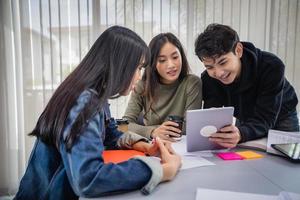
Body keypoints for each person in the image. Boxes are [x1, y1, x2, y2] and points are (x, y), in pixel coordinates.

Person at [14, 26, 181, 200]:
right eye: (138, 68)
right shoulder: (83, 103)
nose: (139, 76)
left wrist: (145, 146)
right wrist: (161, 170)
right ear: (120, 66)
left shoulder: (93, 94)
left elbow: (109, 134)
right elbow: (89, 178)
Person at [194, 23, 299, 148]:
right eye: (209, 67)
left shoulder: (271, 66)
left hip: (282, 115)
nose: (219, 73)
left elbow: (265, 119)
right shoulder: (208, 78)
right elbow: (211, 116)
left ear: (238, 50)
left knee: (287, 159)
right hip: (246, 116)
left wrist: (242, 133)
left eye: (223, 62)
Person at [123, 33, 202, 142]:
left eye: (175, 57)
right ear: (153, 63)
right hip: (153, 145)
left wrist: (159, 130)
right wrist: (152, 132)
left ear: (181, 56)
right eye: (162, 60)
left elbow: (191, 127)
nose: (171, 65)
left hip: (182, 146)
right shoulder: (142, 85)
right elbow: (124, 125)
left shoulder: (192, 83)